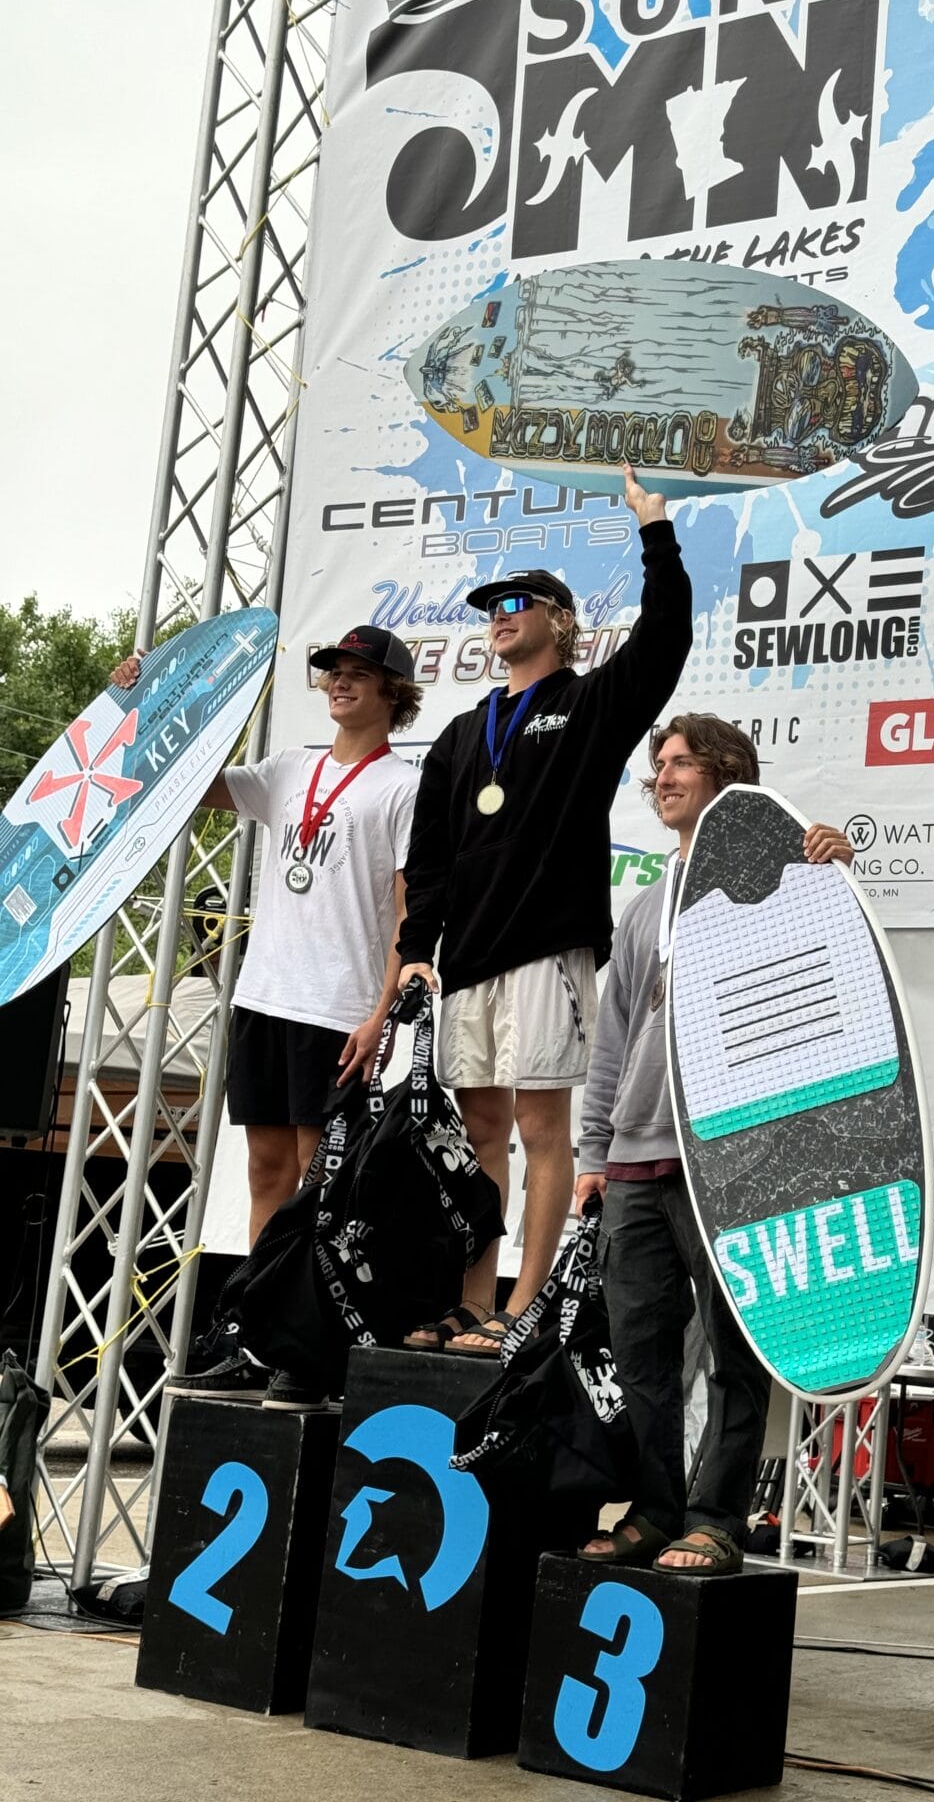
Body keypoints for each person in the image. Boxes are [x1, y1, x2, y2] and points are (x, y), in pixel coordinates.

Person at [397, 464, 692, 1352]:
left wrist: (656, 532)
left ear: (558, 621)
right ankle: (474, 1300)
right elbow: (431, 858)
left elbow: (665, 643)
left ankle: (527, 1305)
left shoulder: (588, 703)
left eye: (521, 600)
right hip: (471, 959)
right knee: (479, 1128)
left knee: (539, 1125)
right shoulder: (459, 733)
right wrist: (418, 948)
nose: (502, 612)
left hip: (548, 947)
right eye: (494, 602)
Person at [110, 625, 424, 1405]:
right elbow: (189, 781)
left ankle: (306, 1350)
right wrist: (140, 703)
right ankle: (257, 1337)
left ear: (393, 693)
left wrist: (381, 1015)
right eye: (331, 673)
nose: (340, 683)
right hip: (262, 997)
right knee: (263, 1173)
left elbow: (407, 914)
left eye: (358, 673)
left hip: (339, 1007)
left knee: (319, 1187)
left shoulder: (403, 787)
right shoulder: (290, 770)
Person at [574, 715, 852, 1574]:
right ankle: (657, 1509)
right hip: (636, 1158)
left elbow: (834, 984)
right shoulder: (646, 905)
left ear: (728, 776)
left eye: (680, 763)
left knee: (735, 1348)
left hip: (733, 1157)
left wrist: (834, 876)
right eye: (656, 763)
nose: (661, 777)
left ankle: (717, 1515)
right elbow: (613, 1039)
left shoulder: (782, 880)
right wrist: (593, 1155)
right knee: (639, 1352)